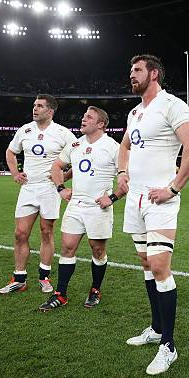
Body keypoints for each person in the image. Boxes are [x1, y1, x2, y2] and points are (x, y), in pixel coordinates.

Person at [119, 54, 189, 375]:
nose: (132, 75)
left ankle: (168, 345)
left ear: (154, 74)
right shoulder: (135, 112)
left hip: (160, 200)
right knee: (145, 264)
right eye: (131, 70)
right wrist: (121, 171)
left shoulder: (172, 105)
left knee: (159, 265)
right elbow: (124, 146)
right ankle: (155, 329)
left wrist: (174, 188)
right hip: (135, 200)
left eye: (137, 70)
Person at [39, 106, 125, 311]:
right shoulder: (75, 144)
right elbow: (56, 167)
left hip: (98, 208)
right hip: (76, 205)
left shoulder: (113, 147)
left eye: (89, 117)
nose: (83, 119)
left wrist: (112, 198)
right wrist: (61, 188)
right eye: (84, 116)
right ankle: (60, 294)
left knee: (98, 249)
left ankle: (95, 290)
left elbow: (127, 177)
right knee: (67, 247)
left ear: (101, 124)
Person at [0, 94, 77, 295]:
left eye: (40, 106)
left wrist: (64, 178)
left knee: (46, 232)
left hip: (49, 189)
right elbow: (10, 152)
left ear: (50, 111)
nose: (35, 108)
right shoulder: (24, 130)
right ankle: (19, 278)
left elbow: (80, 156)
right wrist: (15, 173)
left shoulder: (63, 133)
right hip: (29, 188)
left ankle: (44, 276)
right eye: (34, 105)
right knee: (20, 233)